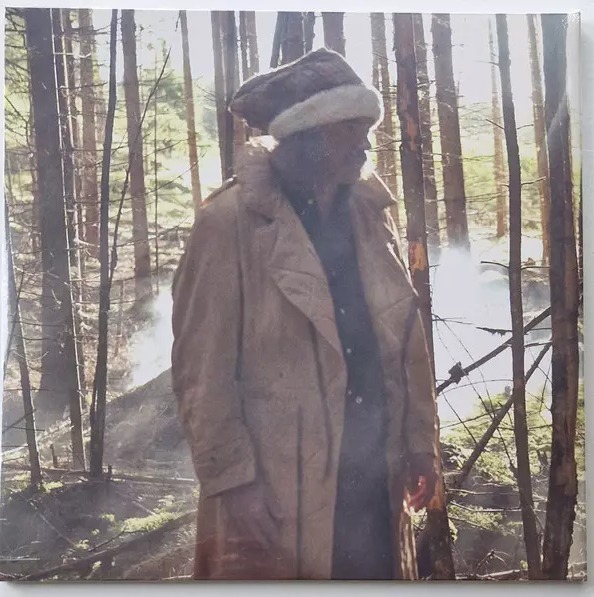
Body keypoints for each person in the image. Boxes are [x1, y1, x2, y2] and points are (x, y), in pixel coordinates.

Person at [171, 48, 439, 581]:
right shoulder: (228, 225)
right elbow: (202, 370)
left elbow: (404, 341)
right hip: (275, 494)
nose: (366, 145)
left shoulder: (369, 216)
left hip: (372, 479)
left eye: (367, 130)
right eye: (350, 130)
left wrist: (420, 444)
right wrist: (234, 480)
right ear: (307, 136)